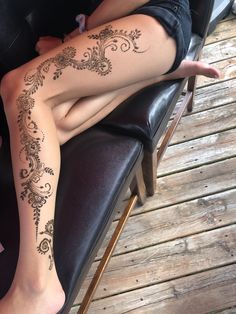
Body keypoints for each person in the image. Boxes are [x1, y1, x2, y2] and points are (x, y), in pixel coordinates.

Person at [0, 0, 220, 313]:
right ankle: (154, 74)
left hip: (153, 18)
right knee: (53, 123)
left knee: (21, 89)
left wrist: (72, 37)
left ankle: (36, 284)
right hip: (103, 30)